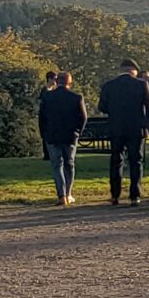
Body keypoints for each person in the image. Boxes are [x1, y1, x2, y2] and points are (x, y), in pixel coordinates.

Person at [95, 61, 149, 204]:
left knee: (116, 160)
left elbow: (102, 107)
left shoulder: (109, 85)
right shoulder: (141, 85)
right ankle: (134, 195)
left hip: (116, 127)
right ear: (134, 71)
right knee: (135, 160)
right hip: (136, 128)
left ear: (121, 70)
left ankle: (115, 194)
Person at [35, 69, 86, 207]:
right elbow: (83, 117)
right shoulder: (76, 97)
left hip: (52, 135)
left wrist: (43, 134)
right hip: (70, 136)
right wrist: (78, 132)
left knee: (57, 165)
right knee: (69, 164)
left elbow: (42, 118)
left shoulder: (48, 97)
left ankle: (61, 194)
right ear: (70, 82)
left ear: (57, 81)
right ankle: (69, 193)